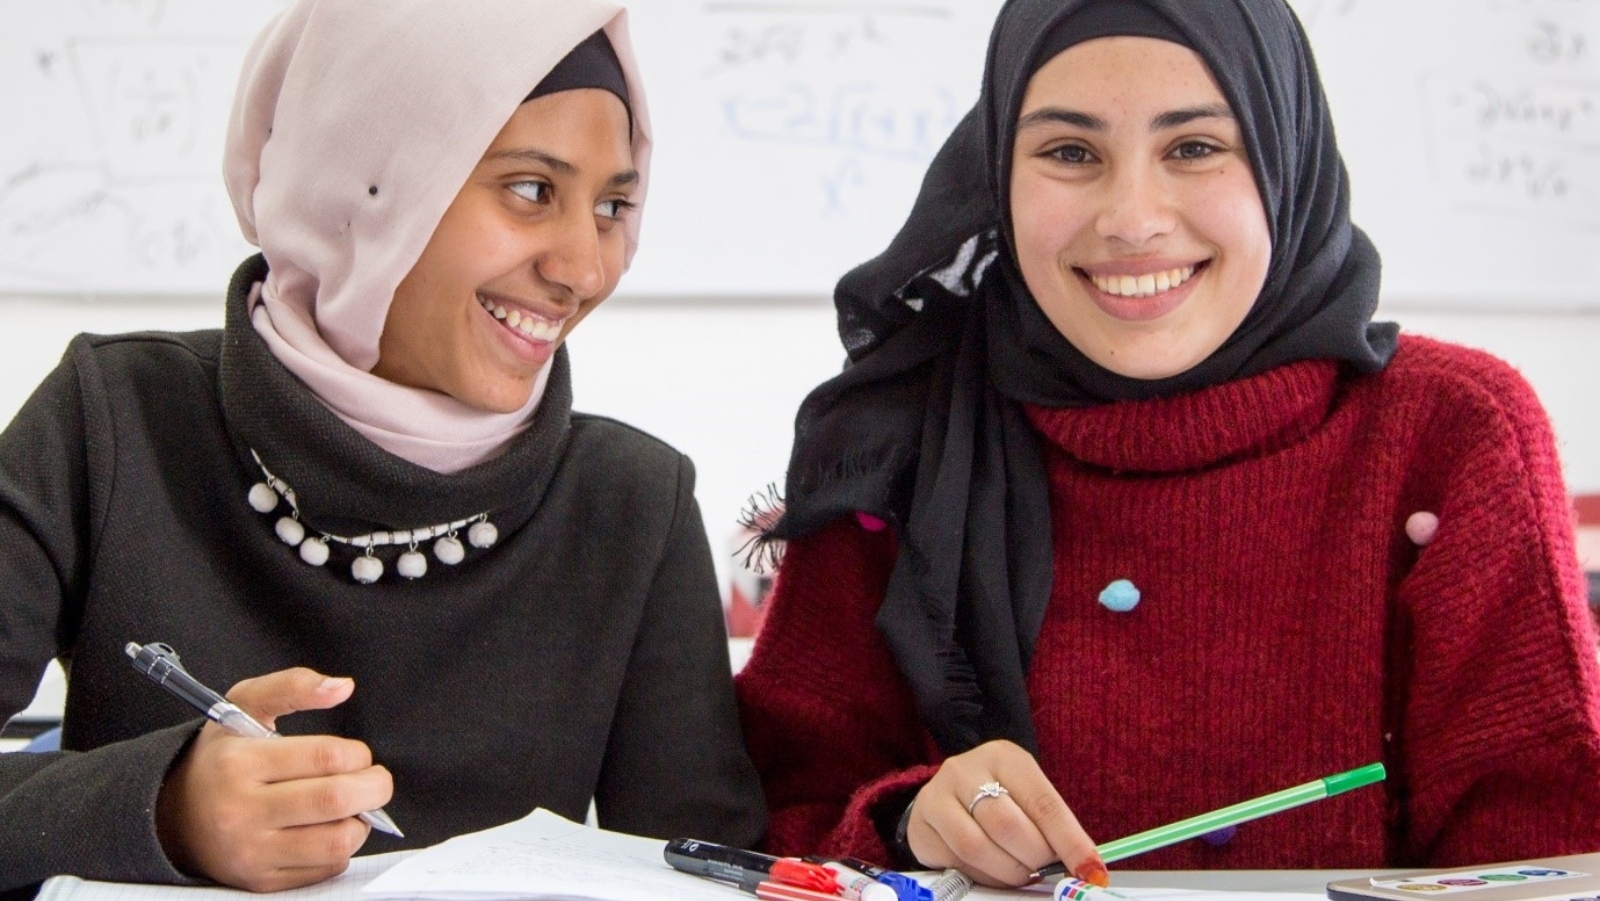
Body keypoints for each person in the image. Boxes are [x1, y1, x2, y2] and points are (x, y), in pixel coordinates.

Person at [735, 0, 1600, 886]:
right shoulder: (904, 440)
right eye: (1071, 153)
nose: (1131, 218)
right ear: (997, 172)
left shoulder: (1451, 436)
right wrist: (911, 822)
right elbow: (766, 826)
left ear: (1281, 155)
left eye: (1193, 147)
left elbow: (1545, 860)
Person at [0, 0, 764, 893]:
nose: (585, 268)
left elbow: (708, 874)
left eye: (612, 205)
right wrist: (162, 807)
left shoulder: (634, 501)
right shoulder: (116, 418)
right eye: (530, 189)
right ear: (365, 179)